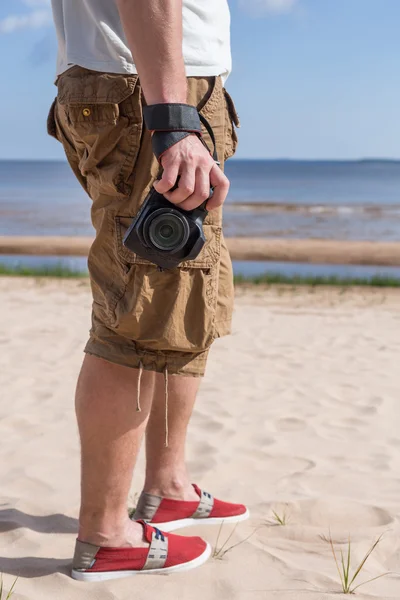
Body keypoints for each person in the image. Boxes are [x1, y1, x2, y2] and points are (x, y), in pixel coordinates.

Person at [48, 0, 247, 581]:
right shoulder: (163, 105)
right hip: (152, 89)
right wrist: (172, 118)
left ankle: (168, 486)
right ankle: (107, 534)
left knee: (183, 293)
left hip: (146, 84)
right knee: (138, 310)